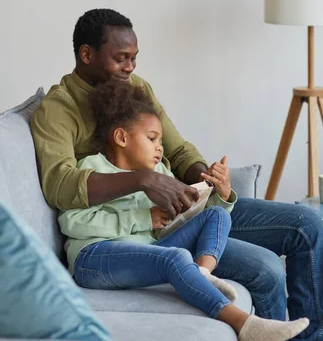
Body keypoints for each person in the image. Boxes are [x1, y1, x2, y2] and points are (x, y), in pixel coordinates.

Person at [30, 8, 323, 340]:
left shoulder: (136, 87)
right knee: (267, 269)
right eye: (120, 59)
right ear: (86, 54)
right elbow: (59, 185)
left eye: (134, 58)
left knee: (310, 224)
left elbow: (177, 150)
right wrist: (145, 180)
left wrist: (208, 182)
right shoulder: (58, 110)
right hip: (137, 228)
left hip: (183, 210)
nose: (130, 68)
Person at [57, 79, 308, 340]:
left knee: (217, 214)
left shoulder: (160, 173)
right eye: (152, 138)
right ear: (121, 137)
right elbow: (72, 223)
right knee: (176, 257)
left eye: (160, 140)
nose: (160, 148)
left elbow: (188, 216)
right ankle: (245, 324)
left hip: (148, 250)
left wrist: (218, 193)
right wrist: (143, 218)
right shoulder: (92, 169)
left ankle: (203, 274)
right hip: (94, 257)